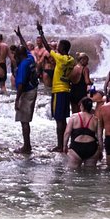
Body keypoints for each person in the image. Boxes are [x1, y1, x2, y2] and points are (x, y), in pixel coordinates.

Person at [37, 21, 75, 152]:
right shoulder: (71, 60)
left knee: (59, 120)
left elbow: (47, 48)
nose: (56, 48)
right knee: (63, 119)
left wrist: (41, 33)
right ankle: (65, 143)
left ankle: (60, 145)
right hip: (66, 90)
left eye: (58, 46)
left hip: (58, 91)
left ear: (62, 49)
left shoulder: (60, 58)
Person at [13, 27, 39, 154]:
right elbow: (26, 48)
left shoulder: (23, 65)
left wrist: (17, 100)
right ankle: (27, 145)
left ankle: (26, 146)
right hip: (33, 89)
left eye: (16, 55)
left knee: (24, 121)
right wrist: (20, 36)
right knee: (25, 120)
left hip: (27, 92)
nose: (15, 57)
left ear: (19, 55)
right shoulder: (29, 58)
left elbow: (21, 85)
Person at [63, 97, 101, 168]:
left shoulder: (73, 117)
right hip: (92, 148)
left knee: (73, 174)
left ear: (82, 106)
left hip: (76, 148)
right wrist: (100, 150)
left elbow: (67, 133)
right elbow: (99, 137)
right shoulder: (96, 119)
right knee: (90, 175)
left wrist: (64, 146)